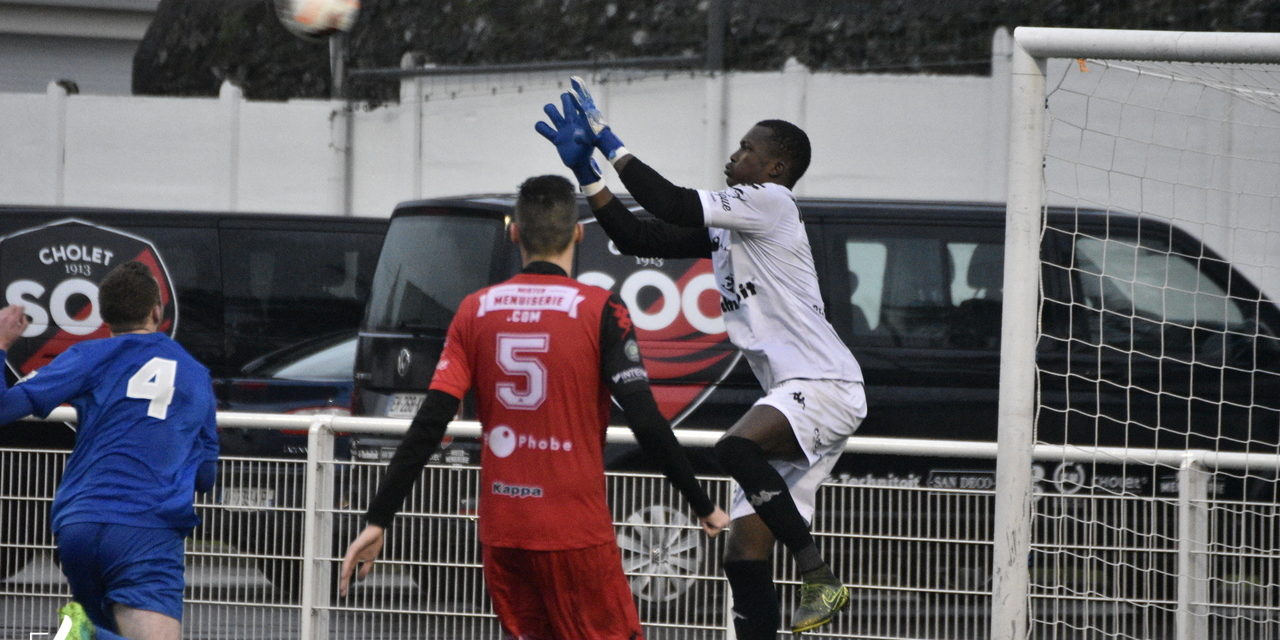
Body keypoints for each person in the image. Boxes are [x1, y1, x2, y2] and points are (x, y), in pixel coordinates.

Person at [536, 78, 867, 637]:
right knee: (742, 553)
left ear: (777, 167)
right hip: (794, 390)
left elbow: (669, 201)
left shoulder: (771, 202)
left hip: (824, 381)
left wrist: (608, 139)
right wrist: (586, 173)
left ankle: (820, 576)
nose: (733, 156)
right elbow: (640, 235)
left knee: (734, 446)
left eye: (746, 149)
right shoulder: (736, 226)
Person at [339, 175, 730, 639]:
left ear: (514, 233)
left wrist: (378, 519)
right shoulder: (602, 308)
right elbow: (645, 419)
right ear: (579, 233)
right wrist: (702, 504)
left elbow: (429, 423)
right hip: (574, 532)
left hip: (504, 533)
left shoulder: (474, 310)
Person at [0, 261, 220, 640]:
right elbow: (205, 476)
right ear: (157, 311)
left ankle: (85, 633)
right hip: (147, 528)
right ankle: (82, 635)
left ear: (103, 314)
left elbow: (5, 409)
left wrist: (2, 344)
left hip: (79, 524)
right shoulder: (194, 373)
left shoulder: (88, 356)